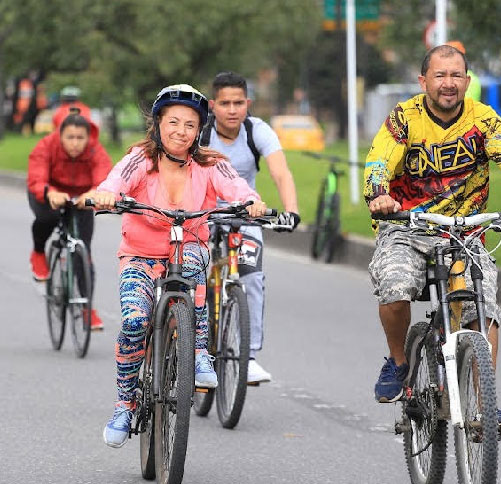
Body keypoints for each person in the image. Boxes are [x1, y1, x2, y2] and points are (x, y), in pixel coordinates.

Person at [365, 45, 501, 438]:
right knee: (395, 286)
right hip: (407, 225)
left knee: (482, 306)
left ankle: (484, 404)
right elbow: (379, 159)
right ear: (423, 81)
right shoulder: (405, 118)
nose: (448, 84)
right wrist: (379, 194)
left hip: (464, 229)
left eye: (455, 76)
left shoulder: (482, 118)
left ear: (466, 80)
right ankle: (399, 363)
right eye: (439, 75)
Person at [92, 84, 268, 448]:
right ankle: (125, 404)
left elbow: (236, 188)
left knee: (191, 264)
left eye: (190, 125)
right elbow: (116, 180)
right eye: (173, 122)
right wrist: (107, 194)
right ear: (158, 123)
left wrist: (251, 202)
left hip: (189, 245)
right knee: (135, 321)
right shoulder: (140, 158)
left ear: (199, 129)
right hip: (140, 255)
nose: (181, 131)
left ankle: (199, 351)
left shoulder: (211, 162)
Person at [200, 71, 300, 383]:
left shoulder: (257, 131)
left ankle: (249, 356)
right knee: (190, 278)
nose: (232, 110)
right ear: (213, 105)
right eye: (225, 103)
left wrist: (291, 211)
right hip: (200, 215)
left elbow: (281, 174)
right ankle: (190, 347)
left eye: (239, 103)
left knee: (251, 276)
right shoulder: (200, 134)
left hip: (245, 215)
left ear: (248, 103)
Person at [26, 108, 112, 330]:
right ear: (60, 136)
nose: (75, 143)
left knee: (83, 251)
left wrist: (95, 192)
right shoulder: (46, 146)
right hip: (50, 193)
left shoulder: (95, 150)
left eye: (80, 138)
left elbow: (105, 177)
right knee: (48, 216)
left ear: (88, 137)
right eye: (70, 138)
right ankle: (38, 253)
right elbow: (36, 178)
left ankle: (87, 308)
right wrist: (49, 192)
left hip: (82, 197)